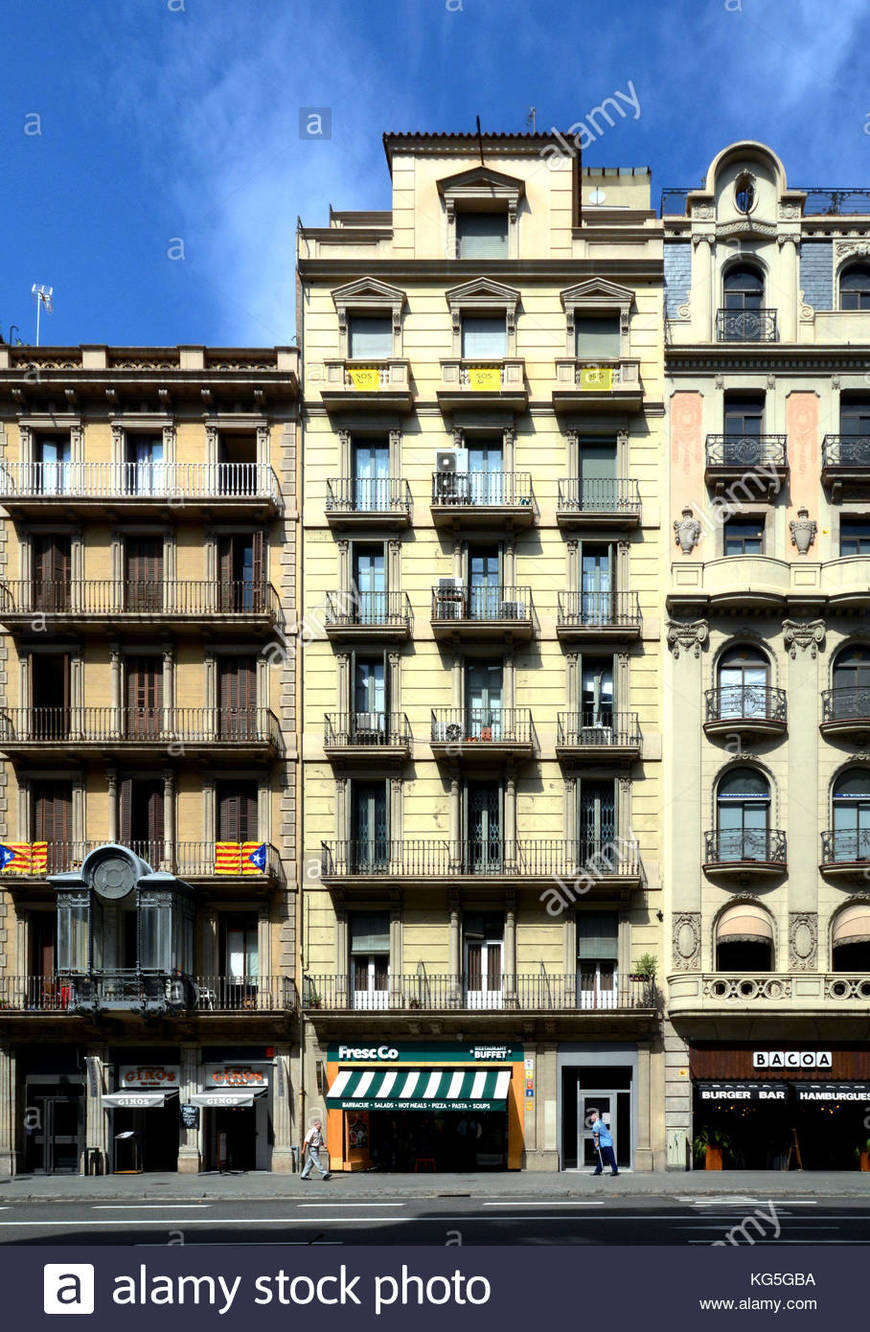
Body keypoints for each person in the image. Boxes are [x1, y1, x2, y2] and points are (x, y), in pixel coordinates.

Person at [589, 1108, 618, 1176]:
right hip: (605, 1142)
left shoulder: (596, 1125)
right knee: (601, 1157)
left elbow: (596, 1135)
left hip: (605, 1143)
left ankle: (615, 1170)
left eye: (592, 1117)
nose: (591, 1118)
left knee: (610, 1157)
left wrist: (596, 1143)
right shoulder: (600, 1122)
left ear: (596, 1117)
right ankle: (598, 1170)